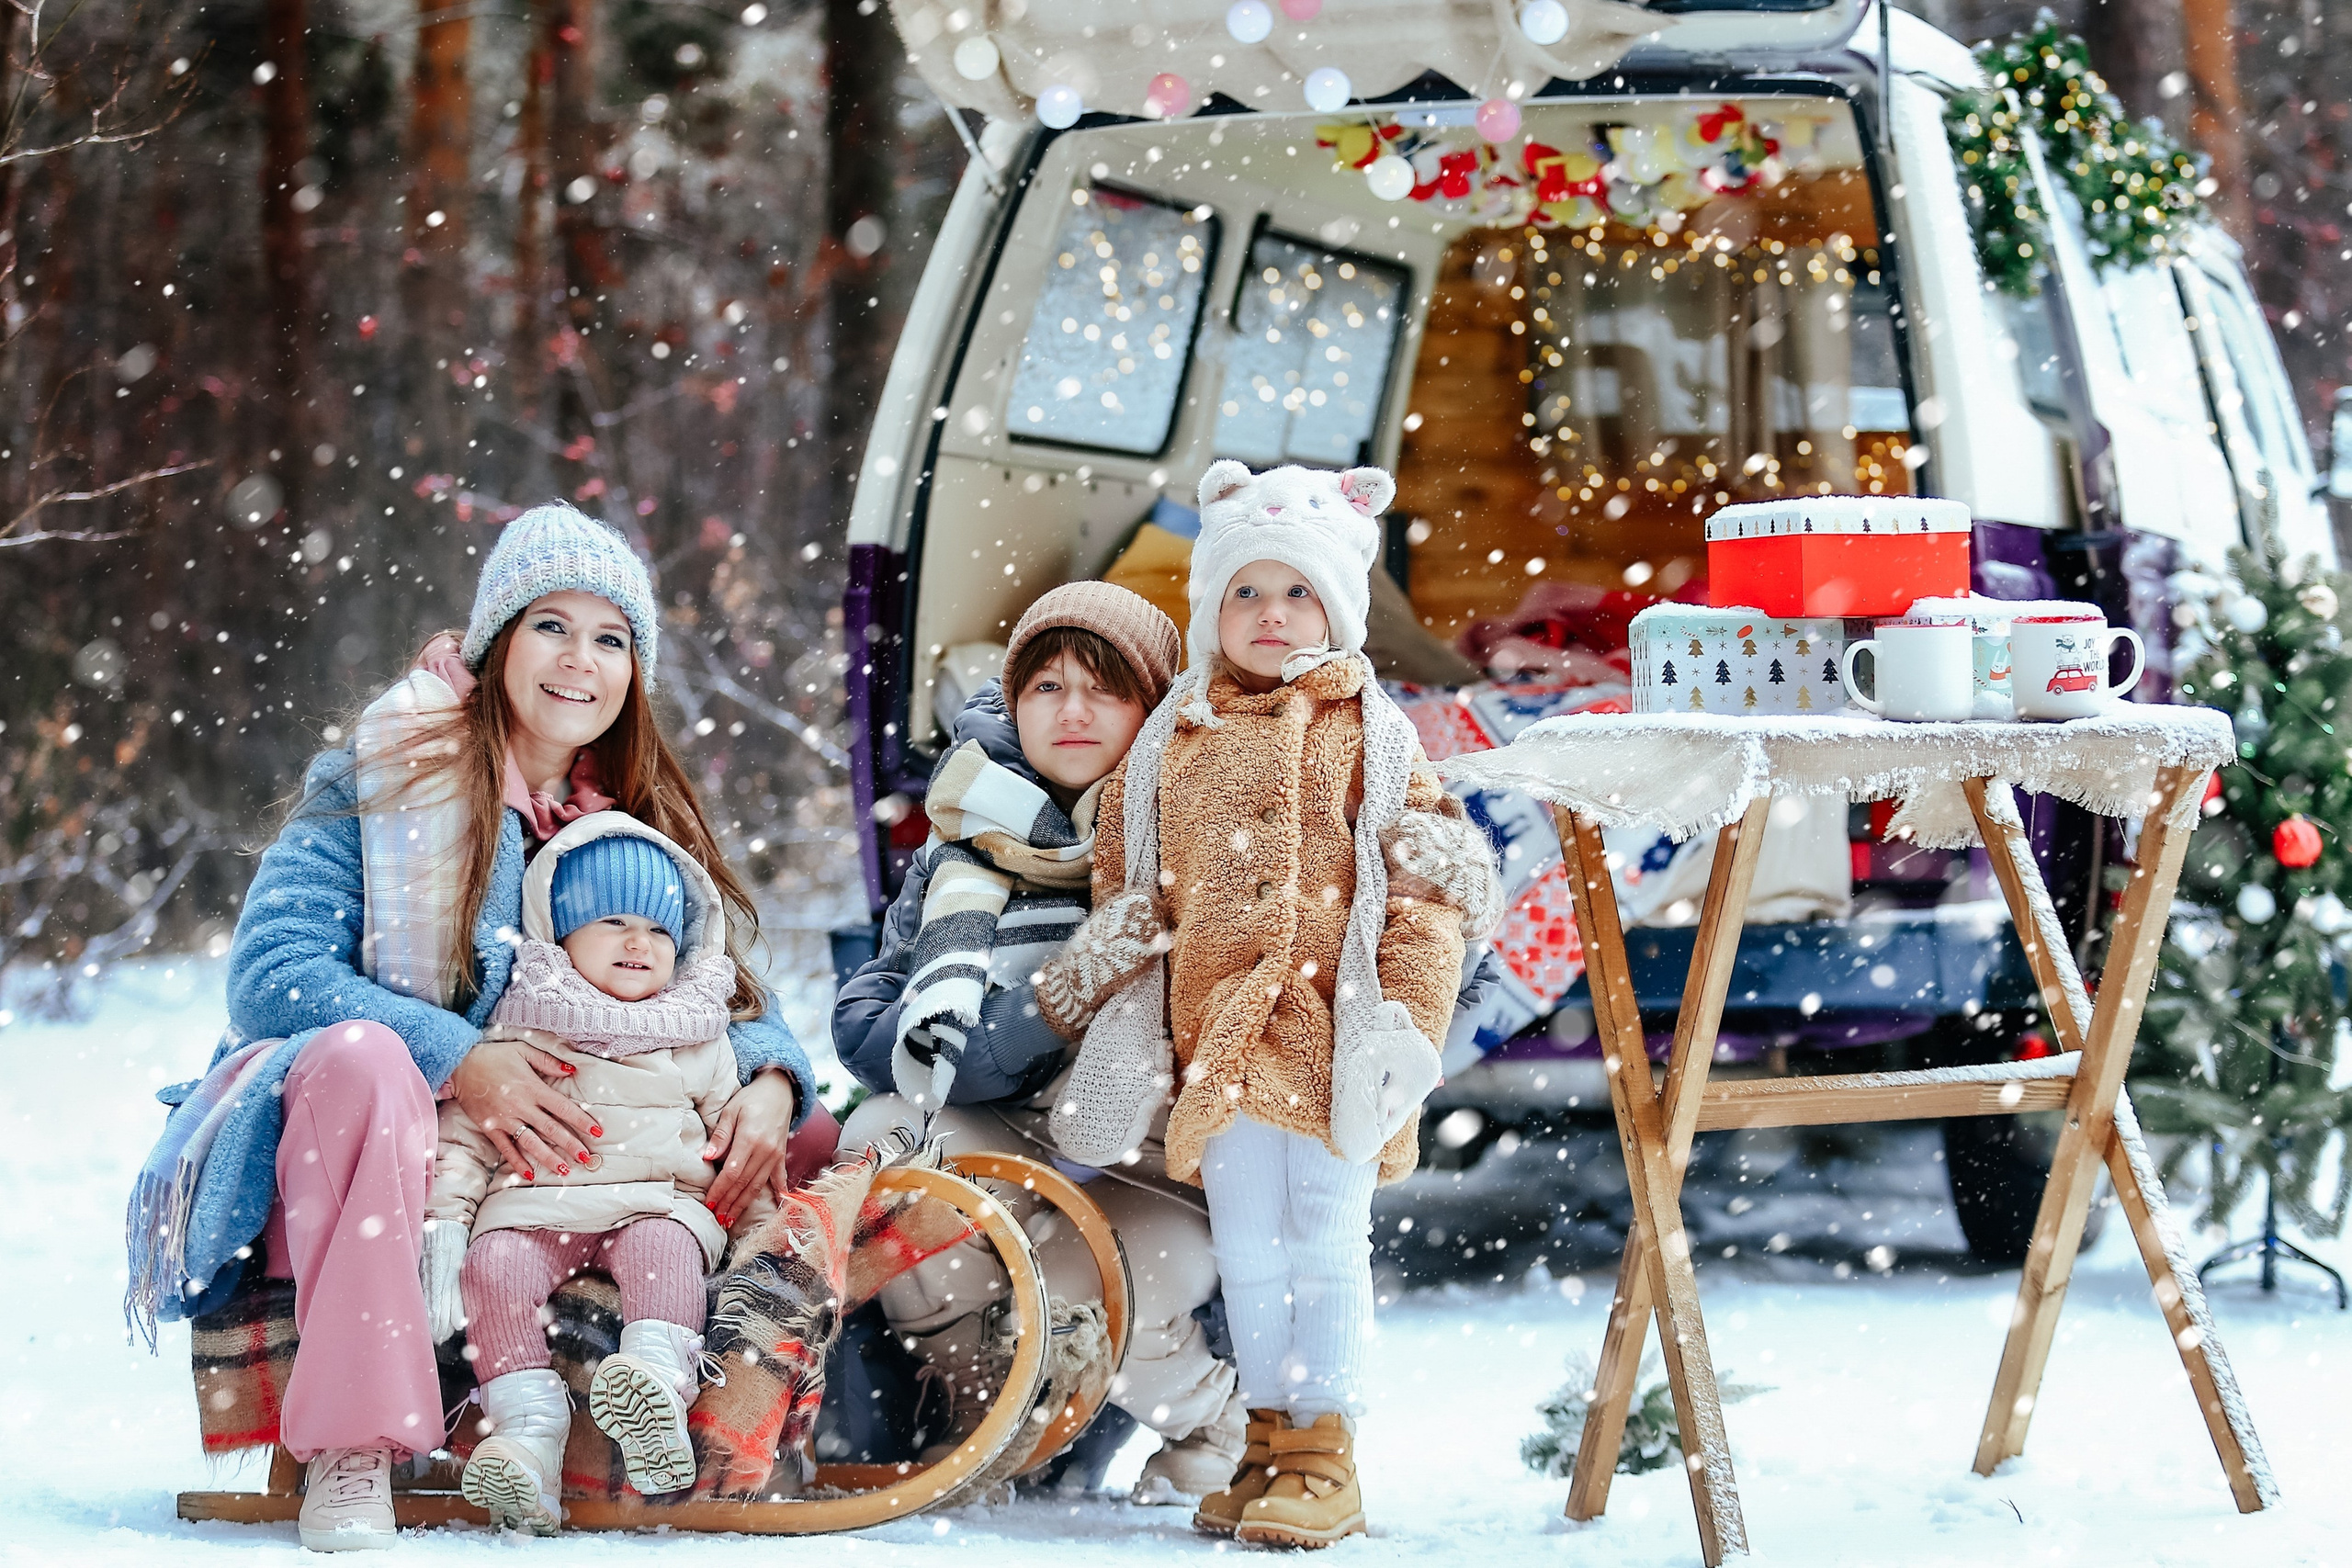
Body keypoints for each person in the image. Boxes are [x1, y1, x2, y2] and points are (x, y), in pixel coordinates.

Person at [125, 503, 819, 1553]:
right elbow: (271, 979)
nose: (579, 661)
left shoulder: (632, 822)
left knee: (810, 1145)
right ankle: (353, 1443)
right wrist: (461, 1060)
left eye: (611, 637)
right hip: (394, 1140)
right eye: (551, 625)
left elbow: (723, 994)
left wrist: (772, 1081)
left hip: (583, 1145)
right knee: (367, 1063)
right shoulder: (390, 770)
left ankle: (735, 1424)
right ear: (497, 641)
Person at [1040, 461, 1501, 1549]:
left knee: (1326, 1242)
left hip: (1334, 1038)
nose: (1271, 615)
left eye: (1297, 593)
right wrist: (1110, 982)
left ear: (1337, 610)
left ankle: (1325, 1447)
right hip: (1219, 1046)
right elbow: (1131, 879)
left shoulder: (1369, 736)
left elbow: (1428, 889)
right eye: (1245, 592)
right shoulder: (1173, 741)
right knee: (1250, 1247)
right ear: (1210, 610)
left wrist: (1405, 1016)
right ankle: (1267, 1436)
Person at [831, 582, 1252, 1502]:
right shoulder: (965, 848)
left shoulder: (1187, 836)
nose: (1071, 712)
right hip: (1006, 1129)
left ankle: (1217, 1418)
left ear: (1151, 707)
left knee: (1092, 1302)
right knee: (882, 1153)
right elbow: (871, 1022)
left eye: (1104, 690)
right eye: (1046, 686)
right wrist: (1046, 1009)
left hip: (1150, 1158)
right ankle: (979, 1410)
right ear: (1013, 702)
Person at [422, 815, 767, 1533]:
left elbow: (735, 1139)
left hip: (655, 1200)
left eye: (660, 931)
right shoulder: (523, 1028)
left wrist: (769, 1237)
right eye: (613, 921)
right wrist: (448, 1225)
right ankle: (527, 1436)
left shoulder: (698, 1032)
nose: (640, 943)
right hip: (533, 1207)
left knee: (665, 1250)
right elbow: (467, 1135)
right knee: (495, 1269)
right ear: (561, 934)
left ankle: (655, 1390)